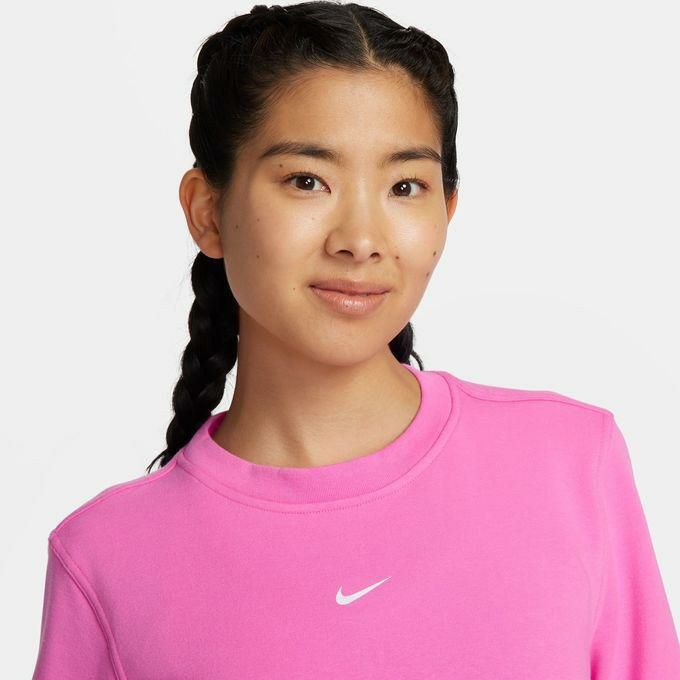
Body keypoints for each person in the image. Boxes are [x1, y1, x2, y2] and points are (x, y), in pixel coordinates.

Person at [32, 2, 680, 678]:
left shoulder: (570, 464)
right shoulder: (104, 560)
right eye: (307, 181)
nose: (362, 240)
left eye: (405, 186)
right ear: (208, 212)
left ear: (446, 211)